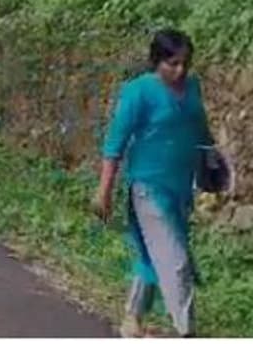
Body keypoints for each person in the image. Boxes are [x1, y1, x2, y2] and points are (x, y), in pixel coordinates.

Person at [93, 30, 215, 338]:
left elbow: (200, 130)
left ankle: (132, 318)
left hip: (179, 190)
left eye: (185, 63)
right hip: (148, 188)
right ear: (156, 61)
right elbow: (115, 144)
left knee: (153, 253)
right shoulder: (139, 93)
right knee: (176, 262)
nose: (180, 71)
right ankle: (186, 332)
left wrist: (211, 163)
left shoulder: (192, 88)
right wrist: (104, 191)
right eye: (172, 63)